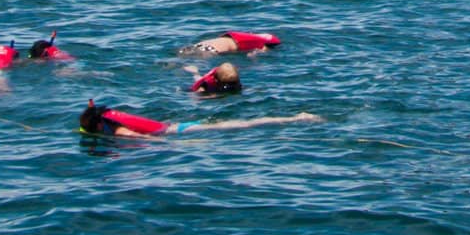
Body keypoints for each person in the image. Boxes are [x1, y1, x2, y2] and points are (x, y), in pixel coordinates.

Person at [78, 99, 320, 138]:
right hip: (177, 126)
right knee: (241, 124)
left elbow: (143, 139)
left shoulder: (117, 130)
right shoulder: (111, 117)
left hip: (178, 132)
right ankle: (292, 119)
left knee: (244, 125)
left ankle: (294, 119)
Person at [180, 29, 280, 57]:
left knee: (181, 58)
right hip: (211, 50)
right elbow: (251, 55)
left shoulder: (246, 35)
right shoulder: (261, 45)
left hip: (199, 45)